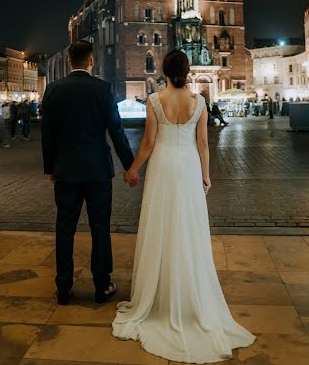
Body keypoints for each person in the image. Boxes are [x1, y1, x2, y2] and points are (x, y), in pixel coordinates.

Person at [113, 50, 256, 363]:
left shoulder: (153, 100)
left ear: (164, 70)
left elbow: (148, 143)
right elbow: (203, 144)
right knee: (188, 227)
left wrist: (134, 168)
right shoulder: (200, 102)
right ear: (188, 72)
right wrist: (205, 176)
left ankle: (159, 293)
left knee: (160, 225)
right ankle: (190, 294)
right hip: (189, 166)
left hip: (163, 166)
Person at [41, 40, 134, 306]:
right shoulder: (102, 89)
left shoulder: (53, 90)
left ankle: (63, 287)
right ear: (91, 61)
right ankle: (102, 285)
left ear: (70, 61)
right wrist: (130, 165)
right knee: (100, 228)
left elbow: (47, 135)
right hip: (97, 171)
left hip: (66, 171)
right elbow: (116, 131)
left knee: (65, 228)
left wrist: (50, 167)